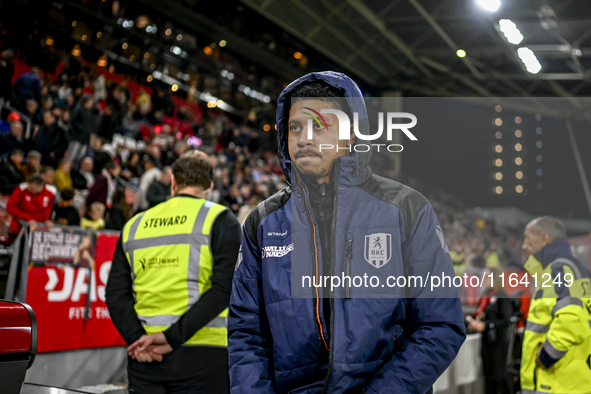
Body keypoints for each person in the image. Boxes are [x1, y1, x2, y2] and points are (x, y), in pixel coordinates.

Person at [228, 72, 466, 393]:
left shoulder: (406, 209)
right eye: (295, 127)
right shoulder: (263, 221)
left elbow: (441, 325)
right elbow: (246, 334)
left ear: (351, 134)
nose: (304, 138)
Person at [105, 151, 241, 393]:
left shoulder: (135, 224)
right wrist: (171, 338)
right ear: (209, 186)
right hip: (204, 353)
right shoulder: (221, 219)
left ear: (174, 183)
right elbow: (224, 289)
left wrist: (138, 340)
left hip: (145, 355)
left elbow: (115, 295)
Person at [520, 216, 591, 394]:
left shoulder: (559, 270)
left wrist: (546, 356)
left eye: (528, 238)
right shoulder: (569, 268)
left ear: (544, 238)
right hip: (568, 381)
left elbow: (573, 319)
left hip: (557, 383)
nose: (524, 245)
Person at [467, 267, 514, 394]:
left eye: (487, 277)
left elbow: (506, 320)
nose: (483, 280)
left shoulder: (501, 296)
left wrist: (487, 325)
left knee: (498, 376)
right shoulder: (486, 296)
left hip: (498, 342)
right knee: (488, 376)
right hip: (487, 341)